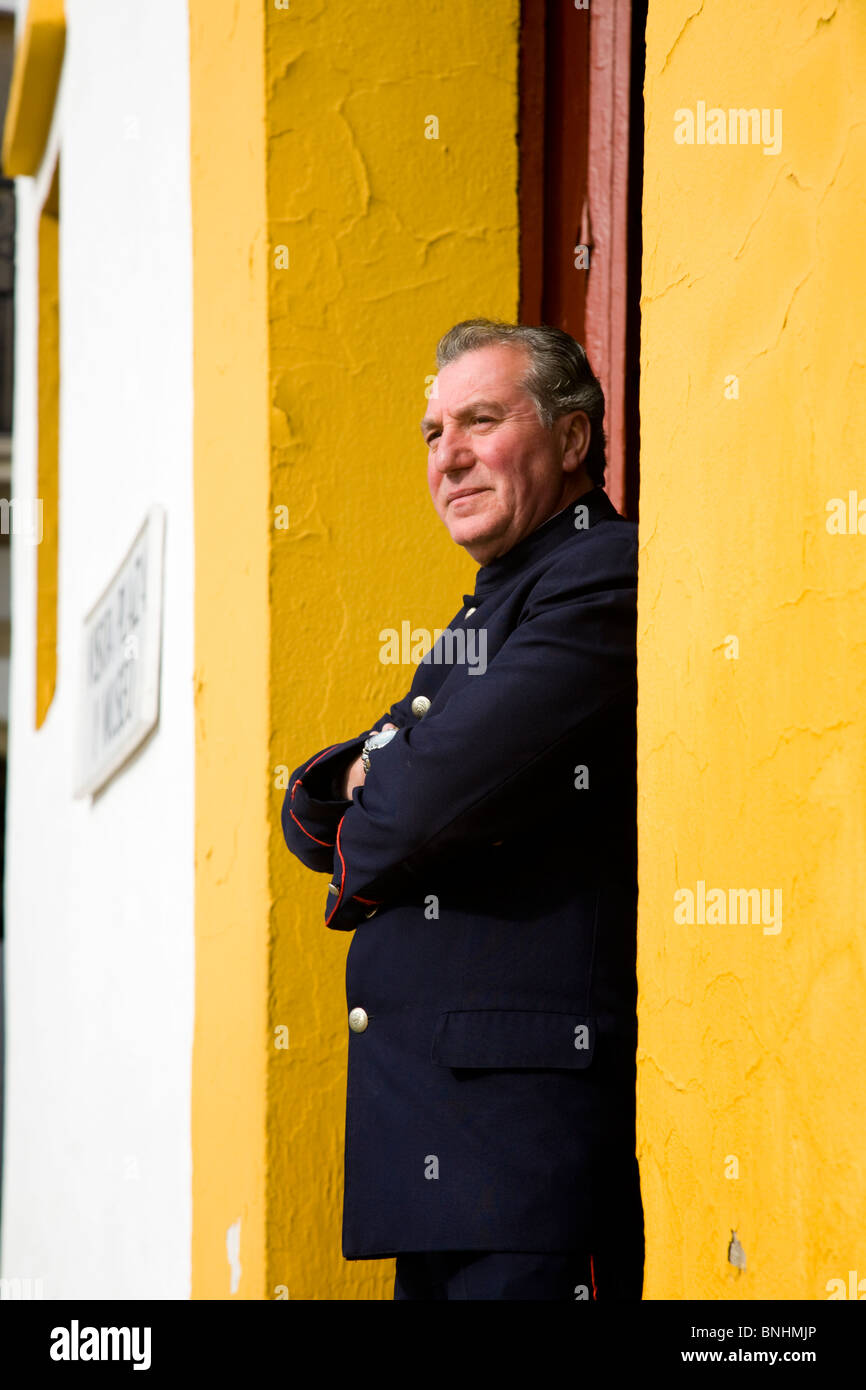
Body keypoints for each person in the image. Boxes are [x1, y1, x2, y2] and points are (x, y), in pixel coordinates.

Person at [281, 318, 643, 1300]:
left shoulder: (601, 572)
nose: (449, 456)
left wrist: (387, 771)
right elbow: (315, 812)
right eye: (432, 432)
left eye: (480, 420)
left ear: (571, 440)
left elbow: (414, 799)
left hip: (526, 1163)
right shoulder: (488, 611)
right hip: (443, 1159)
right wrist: (375, 775)